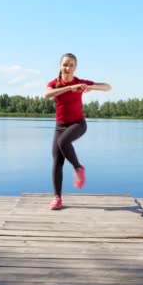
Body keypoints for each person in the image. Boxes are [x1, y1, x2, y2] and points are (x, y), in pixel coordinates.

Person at [44, 53, 112, 210]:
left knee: (63, 142)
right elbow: (47, 94)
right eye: (65, 65)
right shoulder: (54, 83)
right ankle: (57, 198)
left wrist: (91, 87)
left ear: (75, 67)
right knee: (57, 161)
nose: (67, 68)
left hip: (78, 124)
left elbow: (108, 87)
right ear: (60, 66)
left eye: (71, 65)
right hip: (60, 126)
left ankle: (78, 168)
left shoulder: (80, 82)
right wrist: (69, 88)